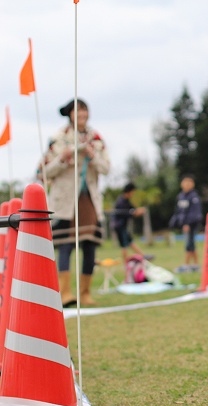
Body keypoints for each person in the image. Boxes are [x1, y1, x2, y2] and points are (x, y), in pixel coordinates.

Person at [41, 98, 110, 307]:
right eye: (78, 111)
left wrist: (92, 156)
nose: (82, 115)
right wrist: (64, 158)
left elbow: (106, 168)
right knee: (65, 245)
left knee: (89, 246)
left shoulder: (95, 137)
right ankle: (65, 293)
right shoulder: (58, 138)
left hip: (87, 198)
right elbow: (45, 171)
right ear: (70, 114)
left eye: (85, 110)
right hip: (64, 201)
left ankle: (86, 292)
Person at [169, 174, 203, 273]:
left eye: (189, 182)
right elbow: (178, 211)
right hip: (184, 224)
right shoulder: (180, 196)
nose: (187, 184)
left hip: (191, 224)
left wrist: (187, 223)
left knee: (189, 244)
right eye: (185, 182)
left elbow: (194, 213)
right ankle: (196, 265)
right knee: (191, 244)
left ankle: (187, 265)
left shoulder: (194, 197)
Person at [112, 182, 147, 262]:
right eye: (133, 191)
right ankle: (126, 264)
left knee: (130, 241)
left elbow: (132, 209)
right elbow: (126, 213)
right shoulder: (121, 201)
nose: (133, 193)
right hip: (119, 226)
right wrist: (134, 213)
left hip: (123, 225)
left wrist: (137, 211)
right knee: (124, 245)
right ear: (129, 191)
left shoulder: (126, 200)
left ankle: (143, 256)